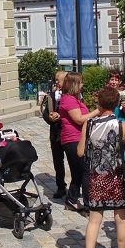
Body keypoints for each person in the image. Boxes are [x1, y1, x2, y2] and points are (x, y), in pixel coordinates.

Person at [77, 86, 125, 248]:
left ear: (99, 104)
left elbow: (80, 152)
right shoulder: (121, 125)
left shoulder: (90, 124)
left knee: (94, 220)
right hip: (117, 177)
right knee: (121, 219)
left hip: (97, 177)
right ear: (116, 104)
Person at [58, 72, 100, 212]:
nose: (83, 85)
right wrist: (98, 111)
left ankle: (71, 200)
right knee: (85, 172)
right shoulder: (69, 99)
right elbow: (79, 119)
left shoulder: (74, 98)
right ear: (75, 84)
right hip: (73, 140)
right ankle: (89, 205)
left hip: (78, 138)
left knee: (77, 173)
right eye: (81, 82)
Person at [42, 71, 68, 199]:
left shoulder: (74, 95)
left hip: (68, 133)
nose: (57, 82)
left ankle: (76, 185)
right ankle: (60, 186)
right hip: (55, 133)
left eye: (59, 80)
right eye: (56, 80)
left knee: (73, 160)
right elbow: (45, 113)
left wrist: (60, 117)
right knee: (58, 161)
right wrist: (49, 118)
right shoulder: (51, 95)